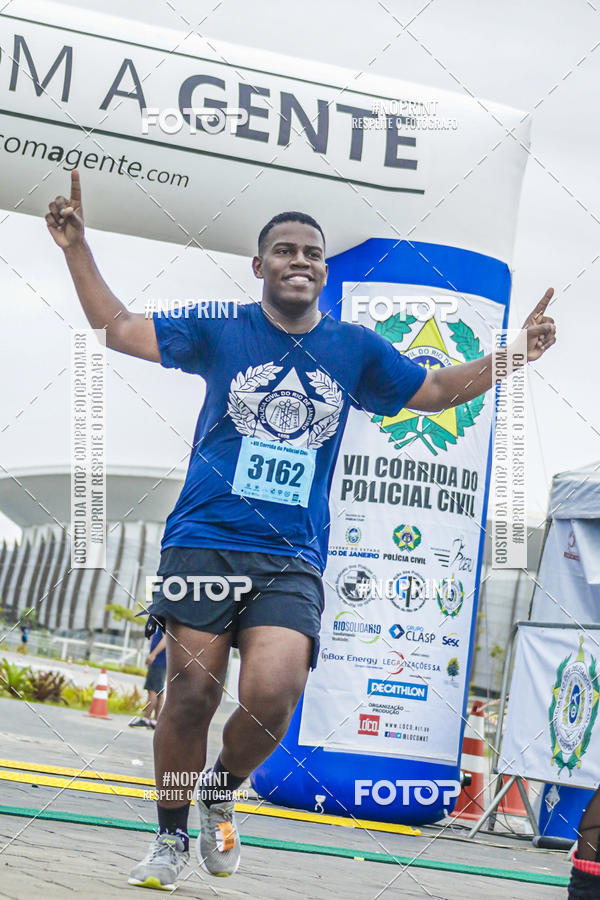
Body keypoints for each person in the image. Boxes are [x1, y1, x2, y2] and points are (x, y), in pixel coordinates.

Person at [45, 171, 557, 891]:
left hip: (290, 554)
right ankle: (168, 839)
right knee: (191, 695)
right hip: (205, 539)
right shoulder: (223, 327)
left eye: (311, 253)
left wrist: (515, 356)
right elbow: (121, 328)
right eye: (284, 251)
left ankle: (221, 787)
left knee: (275, 695)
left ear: (322, 269)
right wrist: (76, 248)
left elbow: (435, 391)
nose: (300, 261)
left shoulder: (354, 348)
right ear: (261, 267)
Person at [130, 626, 167, 729]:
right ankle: (155, 721)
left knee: (152, 690)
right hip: (163, 661)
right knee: (159, 692)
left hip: (158, 660)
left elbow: (166, 639)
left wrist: (153, 655)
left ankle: (146, 719)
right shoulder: (167, 617)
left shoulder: (163, 617)